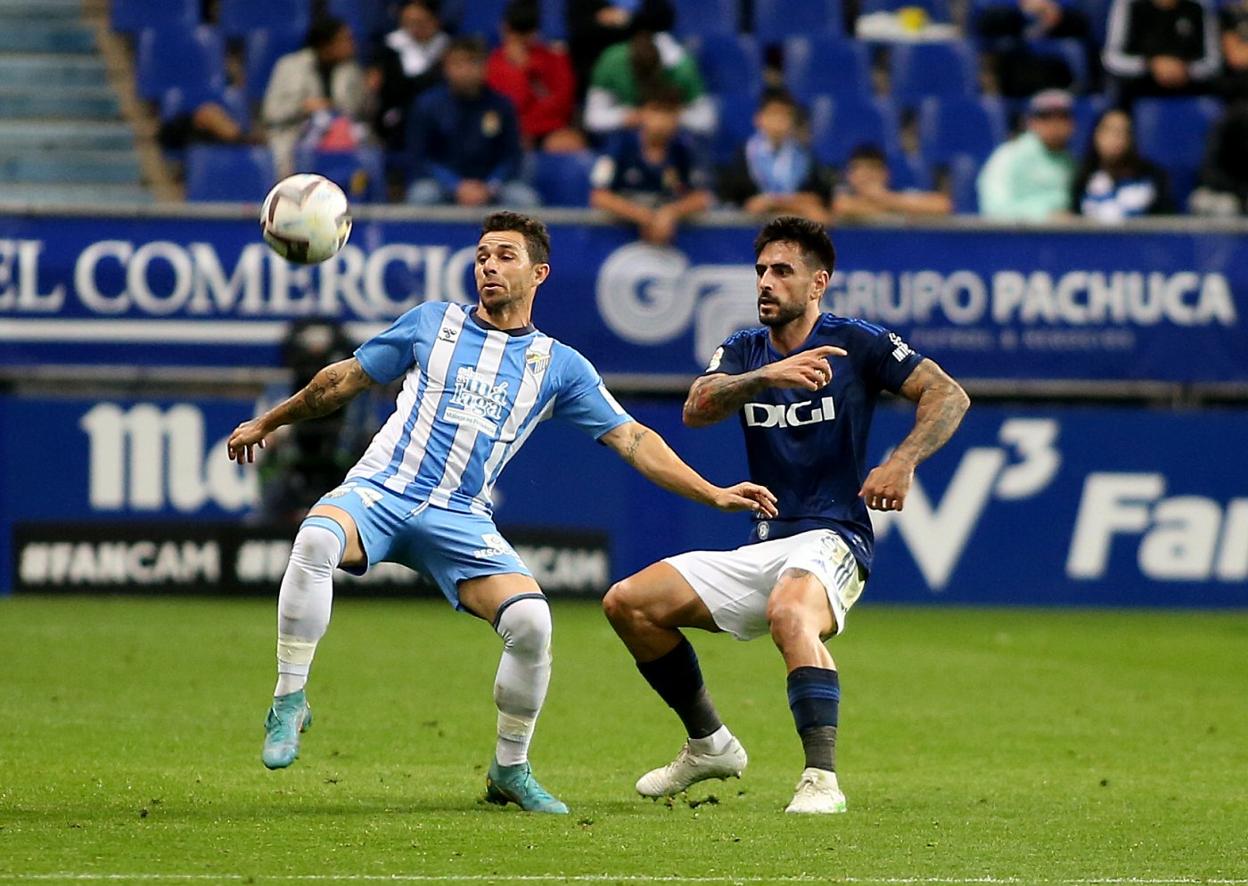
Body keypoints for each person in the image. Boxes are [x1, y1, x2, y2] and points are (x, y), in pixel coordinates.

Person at [226, 211, 778, 814]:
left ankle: (509, 770)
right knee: (315, 540)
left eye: (505, 256)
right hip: (381, 491)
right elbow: (343, 380)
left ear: (538, 272)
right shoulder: (430, 323)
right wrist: (268, 420)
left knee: (533, 624)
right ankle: (289, 699)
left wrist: (714, 492)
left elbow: (634, 440)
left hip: (460, 517)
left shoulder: (558, 365)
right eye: (483, 254)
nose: (489, 265)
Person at [602, 215, 969, 814]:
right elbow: (696, 408)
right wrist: (765, 376)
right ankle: (709, 745)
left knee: (790, 611)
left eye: (782, 271)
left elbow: (948, 394)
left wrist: (902, 461)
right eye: (761, 271)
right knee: (629, 603)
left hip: (835, 534)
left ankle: (821, 780)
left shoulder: (857, 342)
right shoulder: (746, 349)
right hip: (765, 541)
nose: (766, 283)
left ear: (818, 282)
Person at [405, 37, 541, 207]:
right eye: (457, 64)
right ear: (446, 68)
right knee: (421, 196)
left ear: (485, 67)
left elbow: (512, 157)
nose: (465, 71)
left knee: (525, 200)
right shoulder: (427, 106)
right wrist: (455, 185)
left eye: (472, 63)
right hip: (442, 185)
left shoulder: (502, 106)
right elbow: (419, 158)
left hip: (490, 186)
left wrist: (491, 185)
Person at [589, 88, 713, 245]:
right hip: (619, 242)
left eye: (669, 112)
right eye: (656, 110)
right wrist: (642, 216)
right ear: (642, 113)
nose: (661, 120)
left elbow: (702, 198)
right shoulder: (618, 147)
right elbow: (599, 196)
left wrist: (670, 213)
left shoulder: (685, 150)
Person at [262, 16, 370, 178]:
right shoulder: (290, 66)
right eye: (345, 39)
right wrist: (303, 107)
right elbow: (271, 113)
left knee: (366, 150)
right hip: (296, 136)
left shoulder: (351, 70)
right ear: (326, 44)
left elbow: (360, 111)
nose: (351, 45)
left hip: (342, 139)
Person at [717, 90, 833, 224]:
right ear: (758, 118)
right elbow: (746, 203)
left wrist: (771, 203)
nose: (779, 120)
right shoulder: (744, 154)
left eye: (785, 115)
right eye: (773, 113)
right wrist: (800, 205)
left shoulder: (805, 156)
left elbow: (816, 198)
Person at [486, 0, 584, 152]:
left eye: (526, 34)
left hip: (548, 130)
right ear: (504, 29)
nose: (519, 41)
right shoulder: (493, 64)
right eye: (514, 34)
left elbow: (562, 105)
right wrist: (518, 71)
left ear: (535, 32)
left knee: (568, 144)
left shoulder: (555, 59)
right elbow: (502, 106)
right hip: (510, 132)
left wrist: (527, 69)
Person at [584, 28, 716, 136]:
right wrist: (631, 116)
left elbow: (706, 120)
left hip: (674, 142)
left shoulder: (682, 69)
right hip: (625, 141)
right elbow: (593, 118)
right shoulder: (612, 60)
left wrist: (670, 116)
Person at [977, 89, 1076, 220]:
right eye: (1045, 116)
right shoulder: (1008, 155)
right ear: (1031, 122)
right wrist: (1044, 216)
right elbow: (993, 208)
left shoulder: (1072, 164)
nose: (1054, 123)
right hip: (1017, 237)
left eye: (1063, 116)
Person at [1102, 0, 1220, 102]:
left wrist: (1186, 69)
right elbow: (1110, 58)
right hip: (1138, 87)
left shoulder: (1199, 7)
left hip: (1190, 89)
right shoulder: (1130, 5)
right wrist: (1149, 65)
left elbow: (1214, 62)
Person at [372, 0, 449, 151]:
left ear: (435, 20)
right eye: (409, 22)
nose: (414, 28)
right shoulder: (390, 49)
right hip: (401, 118)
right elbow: (387, 91)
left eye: (420, 22)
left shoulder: (447, 49)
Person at [1071, 108, 1174, 220]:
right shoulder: (1082, 179)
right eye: (1109, 130)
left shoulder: (1155, 177)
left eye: (1123, 131)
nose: (1116, 137)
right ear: (1095, 136)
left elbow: (1167, 226)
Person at [832, 144, 952, 220]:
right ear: (848, 174)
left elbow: (943, 205)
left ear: (886, 174)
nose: (866, 174)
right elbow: (841, 206)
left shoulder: (900, 195)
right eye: (858, 168)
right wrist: (905, 211)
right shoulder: (842, 196)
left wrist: (883, 198)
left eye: (873, 167)